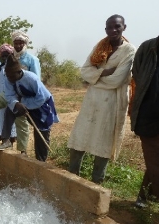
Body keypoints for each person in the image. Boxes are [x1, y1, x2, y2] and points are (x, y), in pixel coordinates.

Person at [67, 15, 136, 184]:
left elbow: (118, 80)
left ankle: (96, 183)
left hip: (113, 101)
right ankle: (70, 178)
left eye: (117, 27)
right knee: (80, 136)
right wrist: (103, 72)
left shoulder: (129, 50)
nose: (113, 30)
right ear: (105, 29)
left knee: (103, 141)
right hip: (92, 100)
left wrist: (95, 77)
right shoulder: (100, 46)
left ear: (124, 27)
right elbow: (84, 71)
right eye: (109, 27)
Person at [2, 54, 59, 162]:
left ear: (19, 72)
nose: (10, 79)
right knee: (9, 110)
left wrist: (24, 103)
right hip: (23, 103)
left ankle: (41, 161)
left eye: (12, 77)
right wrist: (16, 103)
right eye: (8, 76)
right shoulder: (8, 78)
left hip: (42, 105)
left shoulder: (31, 78)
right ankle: (6, 140)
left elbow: (42, 97)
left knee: (41, 133)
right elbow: (9, 95)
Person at [0, 30, 41, 151]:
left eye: (20, 43)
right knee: (7, 115)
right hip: (12, 95)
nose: (18, 45)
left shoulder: (32, 60)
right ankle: (5, 141)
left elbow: (36, 82)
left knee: (22, 124)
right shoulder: (10, 59)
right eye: (16, 43)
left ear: (25, 44)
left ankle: (23, 151)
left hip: (26, 97)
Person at [130, 36, 159, 207]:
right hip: (148, 115)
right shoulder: (148, 48)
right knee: (154, 159)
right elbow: (137, 73)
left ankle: (144, 196)